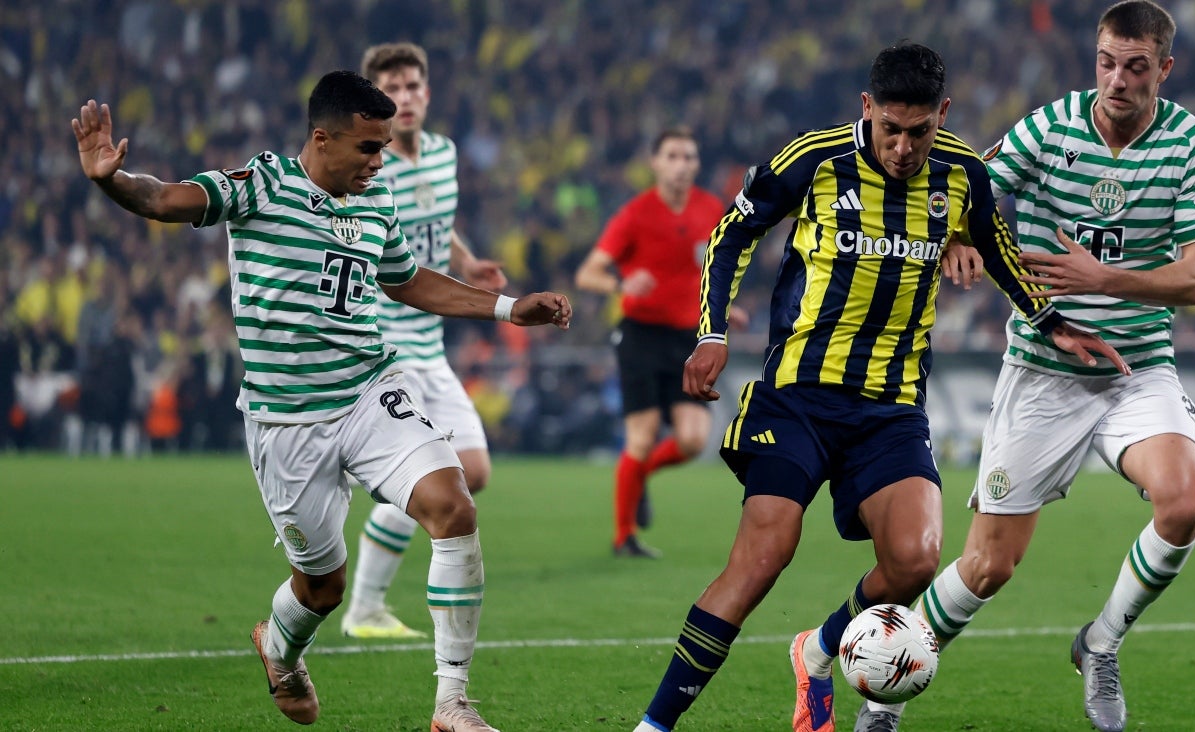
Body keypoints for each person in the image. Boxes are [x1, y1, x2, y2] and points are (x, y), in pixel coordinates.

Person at [630, 42, 1124, 732]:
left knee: (916, 560)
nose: (902, 147)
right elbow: (730, 236)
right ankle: (653, 726)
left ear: (942, 114)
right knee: (764, 557)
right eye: (890, 129)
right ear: (867, 108)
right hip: (797, 396)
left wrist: (1051, 321)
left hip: (891, 408)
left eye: (919, 131)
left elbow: (998, 247)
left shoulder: (962, 173)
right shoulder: (814, 159)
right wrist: (712, 332)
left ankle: (818, 649)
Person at [72, 71, 571, 731]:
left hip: (369, 389)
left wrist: (509, 308)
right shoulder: (263, 185)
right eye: (368, 147)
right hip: (287, 419)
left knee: (453, 506)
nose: (379, 161)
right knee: (322, 586)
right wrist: (110, 179)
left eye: (384, 146)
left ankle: (451, 704)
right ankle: (280, 650)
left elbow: (407, 280)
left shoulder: (374, 202)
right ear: (322, 138)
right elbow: (164, 198)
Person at [874, 3, 1195, 732]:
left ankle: (1101, 643)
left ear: (1164, 68)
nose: (1116, 80)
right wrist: (957, 237)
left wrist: (1103, 278)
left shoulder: (1191, 144)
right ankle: (884, 694)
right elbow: (966, 187)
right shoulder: (1051, 126)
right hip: (1043, 370)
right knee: (988, 567)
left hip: (1136, 368)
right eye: (1106, 62)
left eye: (1135, 67)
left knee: (1184, 502)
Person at [337, 42, 509, 641]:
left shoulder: (443, 154)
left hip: (430, 347)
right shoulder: (368, 166)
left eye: (412, 86)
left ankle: (368, 594)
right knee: (435, 478)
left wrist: (468, 261)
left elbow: (439, 224)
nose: (404, 97)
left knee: (474, 470)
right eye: (392, 89)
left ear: (427, 93)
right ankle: (364, 607)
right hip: (388, 341)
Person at [575, 127, 734, 558]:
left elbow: (714, 269)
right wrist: (622, 283)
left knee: (693, 440)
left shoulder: (710, 208)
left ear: (697, 164)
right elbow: (587, 273)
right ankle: (623, 536)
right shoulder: (635, 214)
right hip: (641, 336)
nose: (682, 165)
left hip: (688, 338)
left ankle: (639, 475)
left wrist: (725, 307)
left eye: (689, 156)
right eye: (673, 156)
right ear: (656, 163)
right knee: (642, 437)